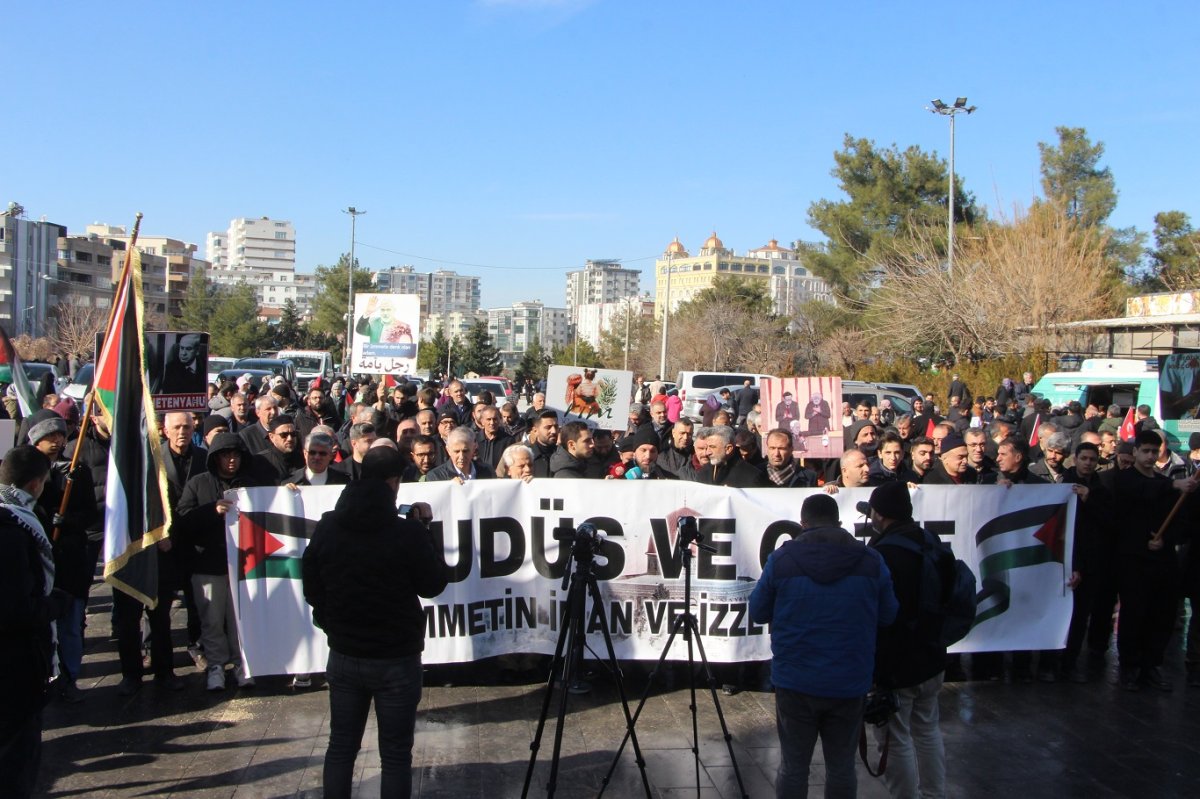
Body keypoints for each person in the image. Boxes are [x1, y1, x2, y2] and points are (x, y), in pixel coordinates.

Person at [302, 447, 446, 799]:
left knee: (341, 747)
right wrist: (425, 531)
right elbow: (433, 584)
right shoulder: (406, 533)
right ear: (393, 482)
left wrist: (331, 619)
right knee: (395, 755)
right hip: (395, 657)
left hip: (346, 653)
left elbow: (310, 584)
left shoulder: (328, 526)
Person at [750, 493, 898, 798]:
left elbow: (758, 611)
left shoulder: (782, 559)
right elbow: (889, 615)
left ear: (803, 524)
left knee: (793, 767)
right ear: (838, 522)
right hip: (849, 679)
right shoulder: (871, 560)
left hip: (795, 679)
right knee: (843, 767)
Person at [866, 481, 951, 799]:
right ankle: (934, 793)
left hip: (898, 662)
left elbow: (881, 613)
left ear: (880, 514)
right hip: (932, 655)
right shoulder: (930, 541)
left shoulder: (883, 554)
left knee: (894, 737)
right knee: (928, 729)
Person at [0, 446, 70, 799]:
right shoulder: (13, 531)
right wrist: (52, 605)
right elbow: (15, 609)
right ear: (36, 484)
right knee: (16, 760)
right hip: (15, 665)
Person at [174, 433, 260, 692]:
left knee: (240, 620)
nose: (231, 460)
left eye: (236, 454)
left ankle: (241, 664)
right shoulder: (198, 484)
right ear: (215, 458)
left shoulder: (250, 484)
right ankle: (215, 667)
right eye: (225, 455)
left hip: (244, 565)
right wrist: (211, 511)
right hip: (207, 565)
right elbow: (183, 520)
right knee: (211, 620)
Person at [425, 427, 496, 482]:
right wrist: (448, 487)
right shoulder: (436, 477)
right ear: (448, 450)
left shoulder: (488, 472)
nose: (461, 456)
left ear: (474, 449)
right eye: (456, 451)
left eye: (465, 451)